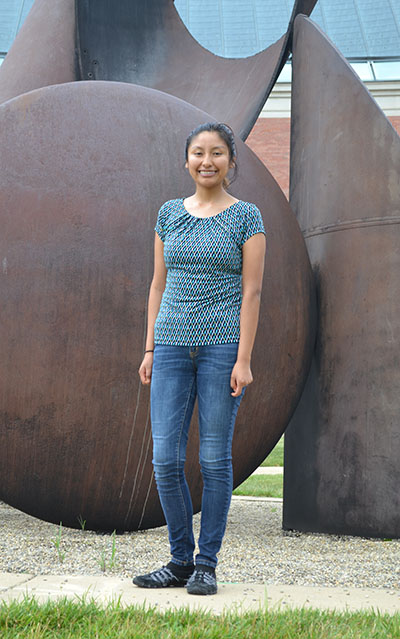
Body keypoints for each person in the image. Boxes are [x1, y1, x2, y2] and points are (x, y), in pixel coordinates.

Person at [133, 122, 266, 595]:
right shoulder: (169, 214)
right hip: (169, 348)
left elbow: (252, 292)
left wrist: (244, 358)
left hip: (221, 349)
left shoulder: (247, 217)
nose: (206, 161)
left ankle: (206, 563)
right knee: (165, 459)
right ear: (186, 160)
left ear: (231, 161)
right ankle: (179, 560)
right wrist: (149, 347)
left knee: (213, 459)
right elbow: (157, 284)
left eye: (216, 153)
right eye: (197, 153)